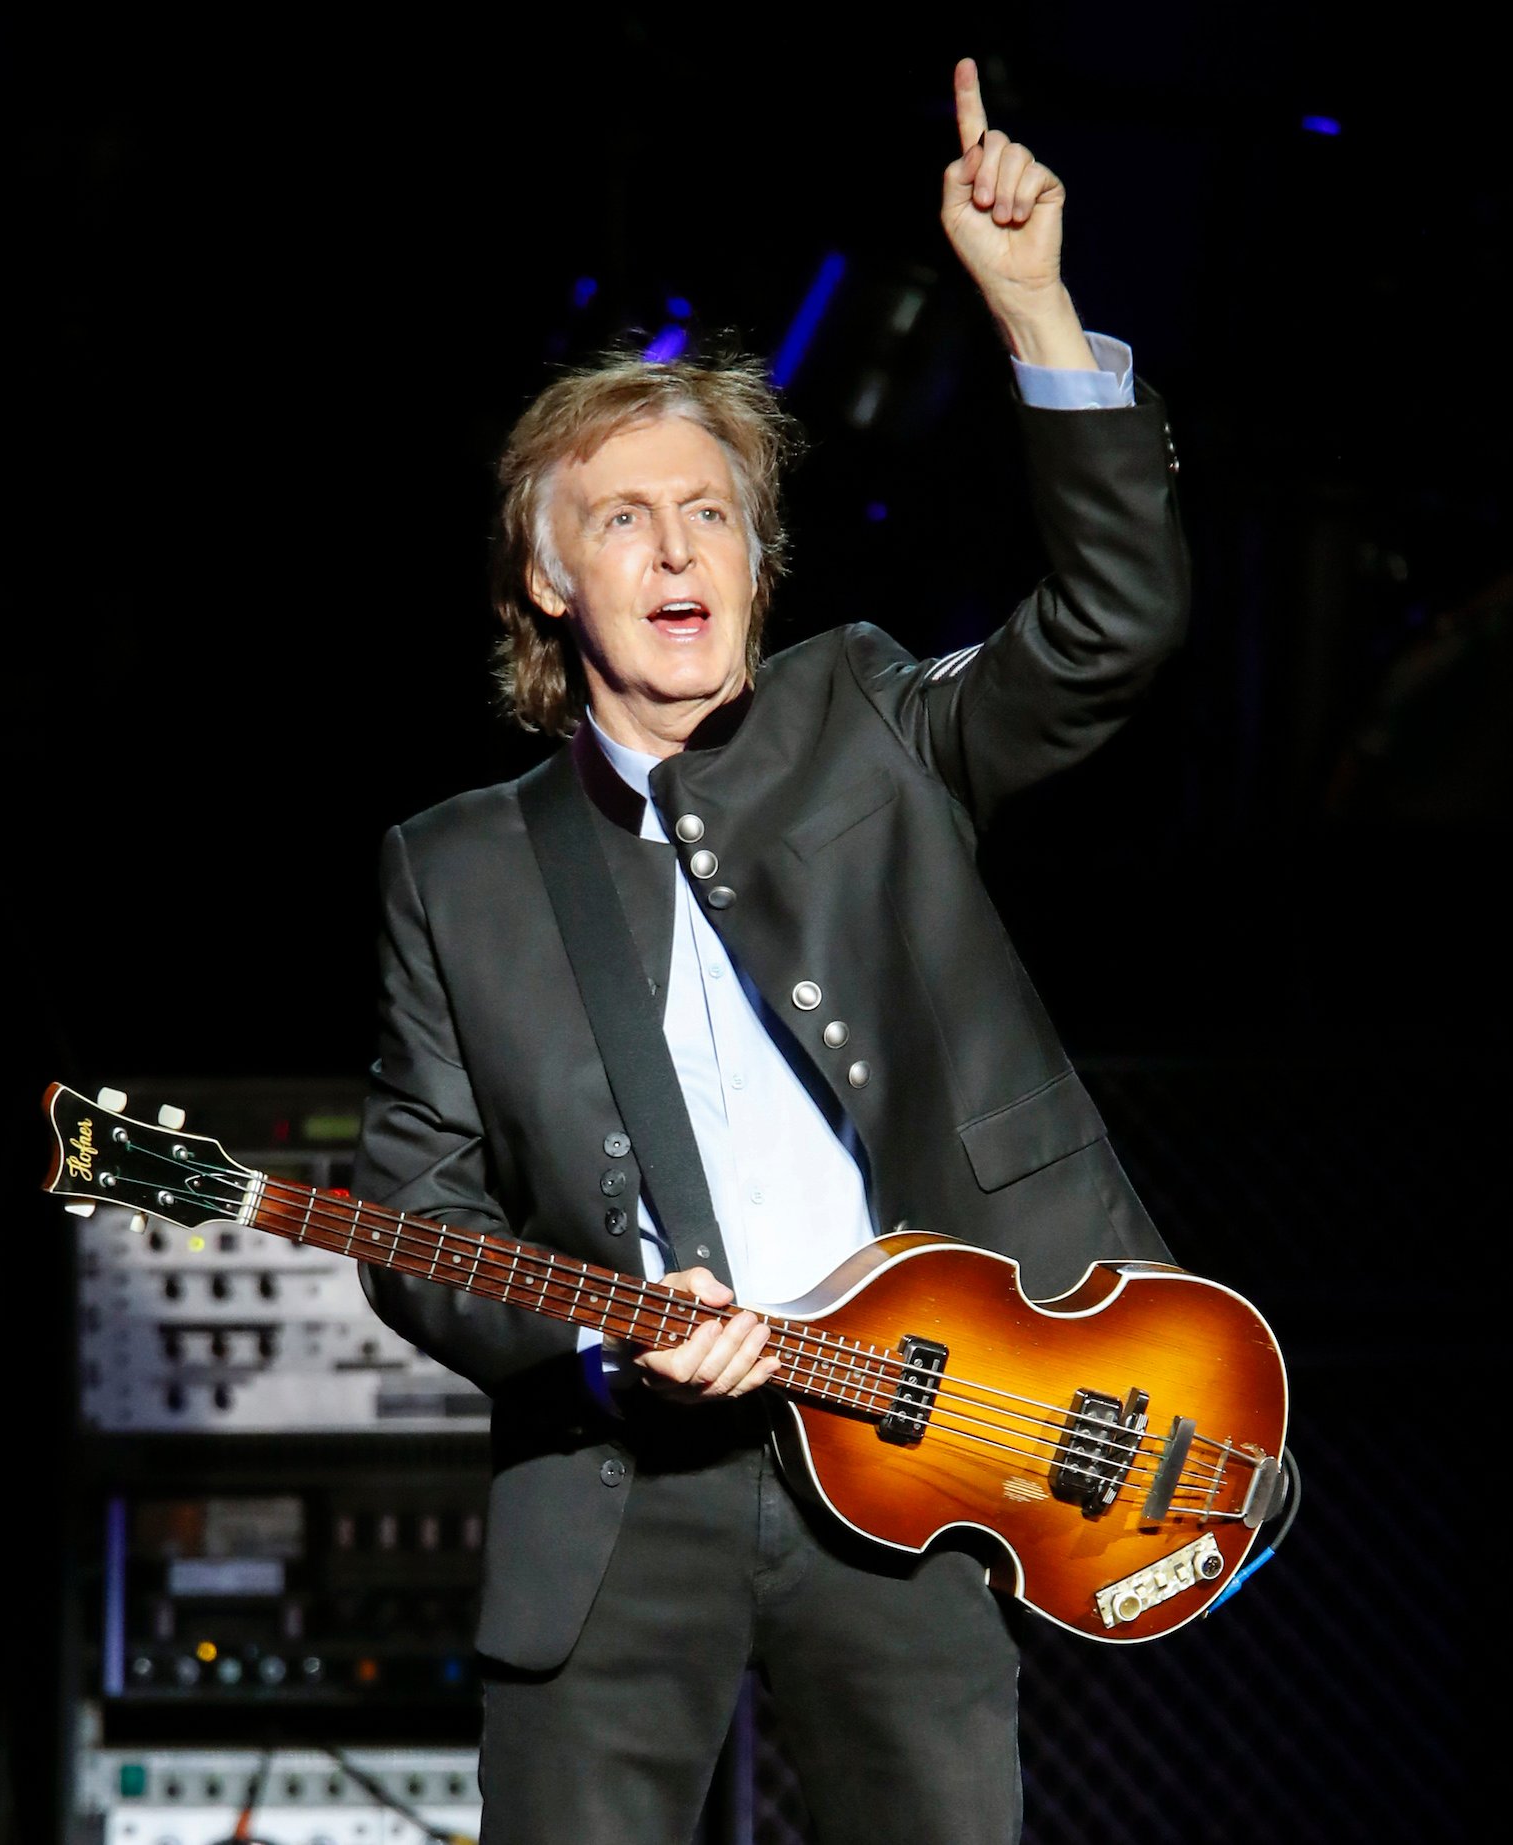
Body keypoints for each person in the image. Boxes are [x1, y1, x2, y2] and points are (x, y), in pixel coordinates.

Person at [356, 58, 1189, 1843]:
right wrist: (600, 1341)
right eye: (623, 518)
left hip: (918, 1448)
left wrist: (1033, 305)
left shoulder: (870, 718)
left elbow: (1115, 625)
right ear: (547, 579)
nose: (679, 548)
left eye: (711, 509)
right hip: (613, 1494)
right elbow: (418, 1224)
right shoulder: (457, 868)